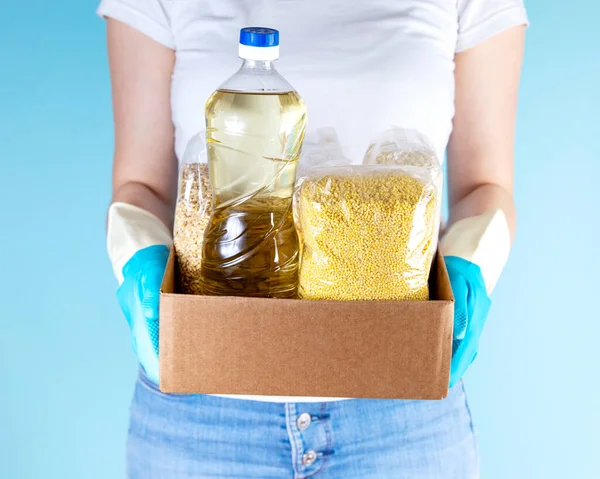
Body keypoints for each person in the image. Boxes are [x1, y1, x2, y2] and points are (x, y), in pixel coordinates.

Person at [98, 0, 528, 477]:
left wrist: (473, 261)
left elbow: (485, 186)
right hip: (204, 407)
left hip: (399, 407)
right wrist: (137, 255)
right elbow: (142, 185)